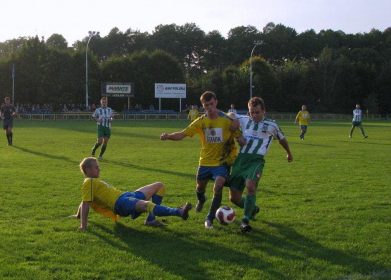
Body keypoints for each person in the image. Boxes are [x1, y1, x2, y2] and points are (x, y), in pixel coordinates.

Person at [160, 91, 244, 229]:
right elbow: (182, 134)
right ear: (203, 106)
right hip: (205, 162)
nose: (210, 107)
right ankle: (202, 199)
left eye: (212, 104)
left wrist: (240, 139)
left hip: (223, 162)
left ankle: (209, 219)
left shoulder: (227, 120)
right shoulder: (201, 122)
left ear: (216, 102)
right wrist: (168, 136)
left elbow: (238, 134)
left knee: (218, 186)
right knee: (200, 188)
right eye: (206, 105)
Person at [71, 157, 192, 231]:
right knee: (146, 205)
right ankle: (178, 212)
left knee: (159, 186)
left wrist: (78, 215)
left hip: (126, 196)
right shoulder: (88, 182)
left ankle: (151, 220)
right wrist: (83, 226)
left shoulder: (92, 181)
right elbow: (85, 202)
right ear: (87, 170)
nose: (99, 169)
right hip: (120, 203)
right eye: (96, 167)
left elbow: (84, 200)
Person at [228, 97, 293, 233]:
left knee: (251, 186)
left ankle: (245, 220)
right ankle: (253, 208)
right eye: (252, 112)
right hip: (240, 160)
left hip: (256, 160)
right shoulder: (245, 120)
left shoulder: (272, 125)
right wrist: (234, 121)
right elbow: (230, 115)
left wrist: (289, 153)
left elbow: (282, 139)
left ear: (264, 110)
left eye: (257, 112)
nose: (255, 115)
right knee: (234, 198)